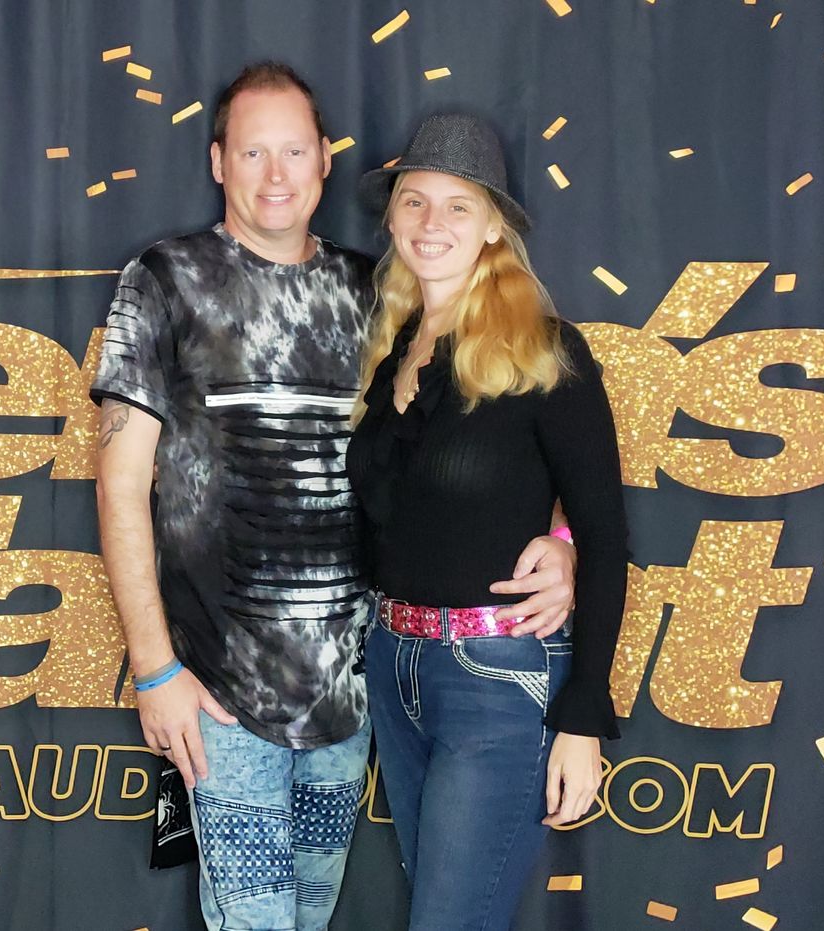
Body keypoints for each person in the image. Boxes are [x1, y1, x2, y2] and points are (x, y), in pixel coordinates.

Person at [92, 65, 579, 931]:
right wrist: (154, 668)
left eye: (293, 151)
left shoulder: (379, 293)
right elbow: (121, 483)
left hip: (356, 691)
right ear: (218, 162)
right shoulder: (165, 278)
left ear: (324, 160)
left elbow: (495, 436)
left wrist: (564, 541)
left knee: (309, 918)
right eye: (252, 152)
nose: (274, 175)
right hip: (218, 689)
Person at [348, 113, 628, 931]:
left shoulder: (545, 350)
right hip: (393, 664)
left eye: (458, 205)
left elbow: (606, 534)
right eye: (414, 201)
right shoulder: (391, 348)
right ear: (392, 217)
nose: (432, 223)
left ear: (494, 227)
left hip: (497, 678)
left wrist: (582, 717)